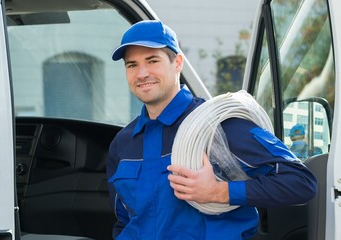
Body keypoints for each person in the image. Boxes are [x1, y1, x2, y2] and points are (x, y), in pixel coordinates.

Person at [106, 20, 317, 240]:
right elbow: (125, 220)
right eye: (132, 65)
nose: (142, 73)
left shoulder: (218, 127)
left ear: (177, 62)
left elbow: (301, 183)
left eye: (152, 61)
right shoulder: (123, 143)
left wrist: (217, 192)